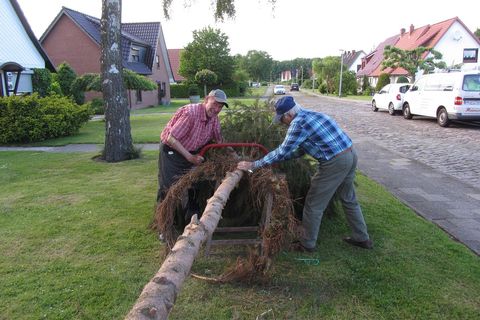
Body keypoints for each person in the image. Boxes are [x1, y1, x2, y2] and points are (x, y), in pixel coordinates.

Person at [237, 96, 373, 252]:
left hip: (334, 162)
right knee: (349, 199)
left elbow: (283, 150)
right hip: (350, 154)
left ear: (288, 115)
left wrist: (254, 165)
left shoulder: (298, 123)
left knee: (314, 204)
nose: (282, 124)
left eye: (282, 120)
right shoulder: (313, 115)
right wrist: (279, 159)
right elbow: (302, 149)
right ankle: (362, 238)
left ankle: (307, 244)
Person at [157, 89, 228, 228]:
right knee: (169, 188)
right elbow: (171, 138)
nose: (217, 109)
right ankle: (165, 226)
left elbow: (219, 140)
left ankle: (190, 220)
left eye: (220, 106)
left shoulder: (213, 118)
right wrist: (189, 157)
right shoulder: (191, 113)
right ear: (206, 99)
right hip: (172, 150)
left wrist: (233, 154)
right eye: (215, 104)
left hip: (192, 152)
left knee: (196, 184)